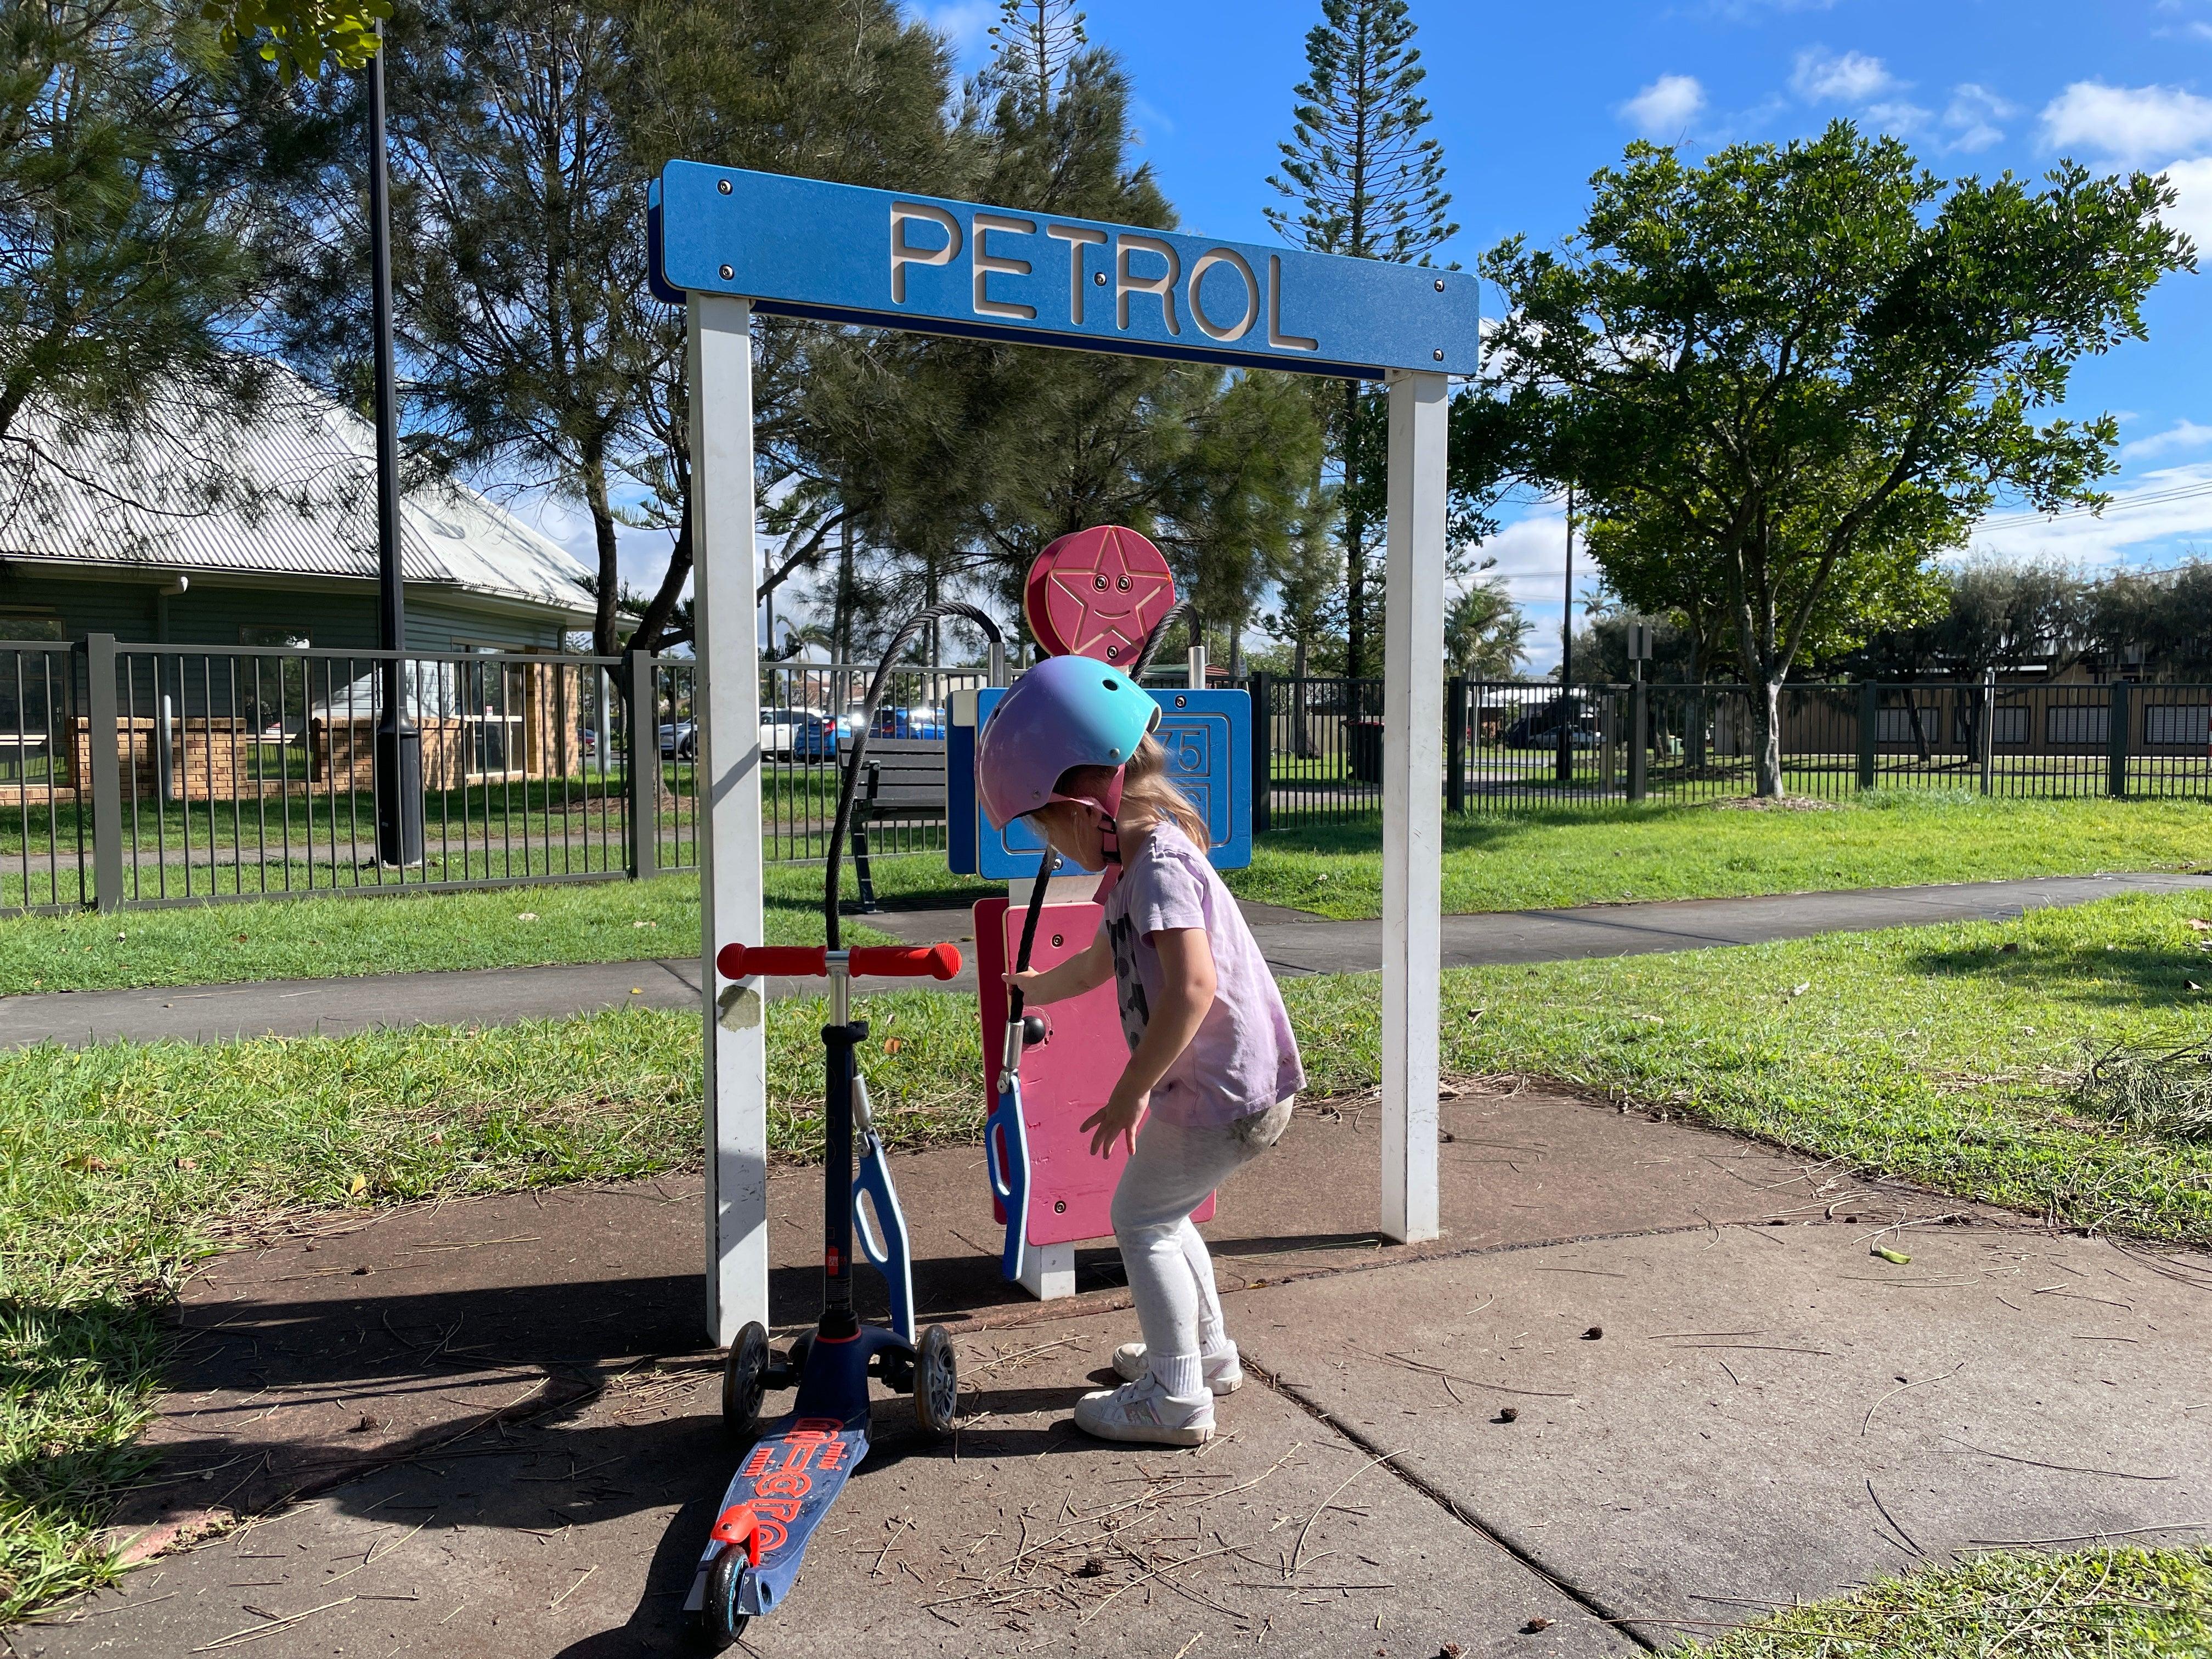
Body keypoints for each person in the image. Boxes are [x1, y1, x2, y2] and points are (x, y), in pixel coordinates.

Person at [975, 656, 1305, 1446]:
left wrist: (1129, 1090)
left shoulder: (1157, 867)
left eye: (1044, 827)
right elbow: (1102, 959)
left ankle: (1176, 1398)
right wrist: (1038, 987)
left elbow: (1192, 987)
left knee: (1141, 1219)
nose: (1048, 846)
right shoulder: (1134, 865)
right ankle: (1208, 1355)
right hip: (1232, 1091)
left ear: (1086, 805)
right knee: (1163, 1211)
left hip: (1217, 1094)